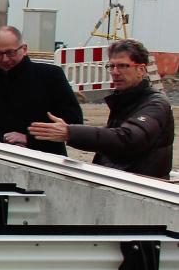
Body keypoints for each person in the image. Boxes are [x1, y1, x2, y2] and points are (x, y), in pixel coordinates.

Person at [29, 39, 173, 178]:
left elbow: (129, 138)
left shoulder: (155, 103)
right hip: (123, 180)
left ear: (141, 69)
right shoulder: (125, 99)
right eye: (111, 66)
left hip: (140, 187)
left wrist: (70, 132)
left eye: (122, 66)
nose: (115, 72)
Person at [0, 26, 83, 155]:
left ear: (24, 49)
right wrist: (4, 140)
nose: (5, 59)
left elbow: (73, 120)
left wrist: (28, 138)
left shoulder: (50, 76)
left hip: (46, 157)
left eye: (10, 52)